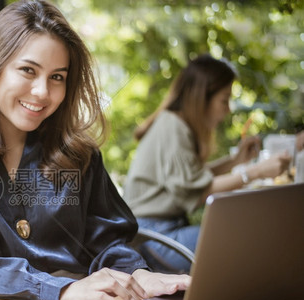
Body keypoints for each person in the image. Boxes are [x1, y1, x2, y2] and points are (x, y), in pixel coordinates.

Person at [0, 0, 190, 300]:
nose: (42, 92)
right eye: (28, 70)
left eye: (57, 77)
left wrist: (139, 275)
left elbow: (107, 242)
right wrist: (61, 291)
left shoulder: (78, 152)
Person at [124, 54, 292, 273]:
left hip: (160, 230)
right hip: (153, 237)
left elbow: (193, 178)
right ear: (202, 97)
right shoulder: (173, 127)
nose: (228, 109)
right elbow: (194, 191)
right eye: (224, 100)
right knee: (247, 237)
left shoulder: (173, 124)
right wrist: (256, 172)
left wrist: (235, 161)